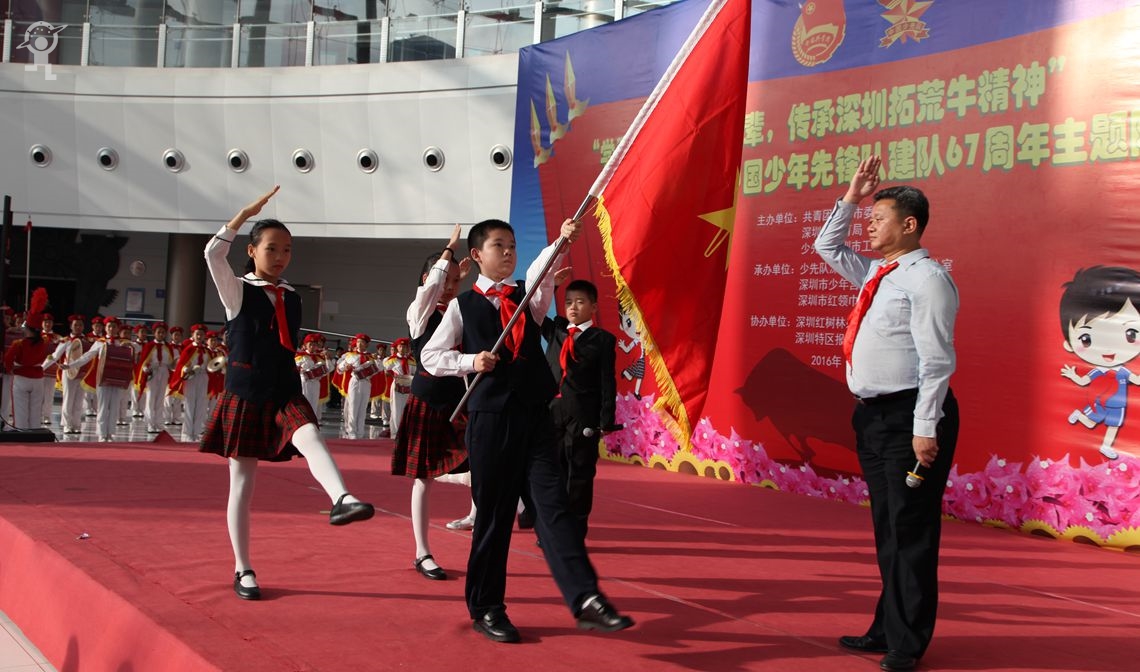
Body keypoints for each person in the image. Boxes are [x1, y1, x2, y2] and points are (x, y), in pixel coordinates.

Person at [421, 217, 633, 643]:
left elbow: (539, 272)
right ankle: (486, 607)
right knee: (495, 518)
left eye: (513, 245)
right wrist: (471, 361)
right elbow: (430, 355)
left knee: (553, 509)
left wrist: (560, 241)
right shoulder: (463, 307)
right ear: (477, 255)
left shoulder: (527, 298)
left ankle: (586, 597)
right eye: (499, 245)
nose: (508, 252)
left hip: (536, 417)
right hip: (490, 420)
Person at [813, 155, 958, 672]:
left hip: (911, 418)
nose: (869, 225)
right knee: (887, 528)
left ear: (909, 224)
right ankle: (887, 626)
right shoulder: (879, 271)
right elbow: (826, 247)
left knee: (911, 529)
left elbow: (937, 361)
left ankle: (907, 643)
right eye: (869, 217)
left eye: (879, 217)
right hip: (872, 417)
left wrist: (925, 429)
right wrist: (851, 197)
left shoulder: (928, 280)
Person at [201, 185, 375, 601]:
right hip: (246, 393)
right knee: (242, 486)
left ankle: (342, 498)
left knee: (311, 434)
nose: (280, 257)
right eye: (272, 249)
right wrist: (244, 214)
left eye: (287, 250)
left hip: (284, 389)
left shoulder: (292, 296)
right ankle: (243, 568)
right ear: (252, 251)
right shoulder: (236, 290)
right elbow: (212, 254)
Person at [392, 225, 473, 581]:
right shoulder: (419, 312)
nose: (451, 286)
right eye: (446, 279)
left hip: (459, 401)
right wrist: (448, 251)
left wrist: (455, 280)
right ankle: (422, 552)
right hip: (427, 401)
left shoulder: (457, 311)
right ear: (428, 279)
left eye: (456, 281)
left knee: (481, 462)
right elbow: (430, 290)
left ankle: (477, 515)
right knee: (422, 479)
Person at [541, 277, 618, 542]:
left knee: (580, 474)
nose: (573, 307)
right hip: (552, 413)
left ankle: (574, 529)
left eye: (580, 302)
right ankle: (552, 527)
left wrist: (606, 419)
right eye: (568, 302)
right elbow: (532, 308)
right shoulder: (556, 330)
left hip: (583, 416)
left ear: (593, 307)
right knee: (553, 472)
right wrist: (550, 285)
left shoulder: (603, 340)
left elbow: (607, 381)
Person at [1059, 266, 1140, 460]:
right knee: (1090, 423)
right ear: (1069, 344)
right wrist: (1073, 375)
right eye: (1086, 339)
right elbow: (1084, 381)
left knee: (1113, 426)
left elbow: (1137, 380)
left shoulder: (1122, 371)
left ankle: (1105, 446)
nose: (1110, 347)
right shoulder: (1099, 370)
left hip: (1117, 406)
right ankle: (1079, 415)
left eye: (1130, 334)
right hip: (1099, 402)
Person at [63, 316, 136, 442]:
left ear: (118, 329)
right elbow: (87, 356)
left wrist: (130, 344)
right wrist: (71, 365)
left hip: (118, 378)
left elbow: (139, 348)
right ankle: (102, 433)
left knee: (114, 406)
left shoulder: (123, 342)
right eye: (109, 326)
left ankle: (110, 433)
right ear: (105, 328)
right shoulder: (100, 342)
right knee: (103, 405)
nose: (111, 329)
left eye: (114, 327)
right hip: (103, 378)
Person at [3, 289, 51, 430]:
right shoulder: (45, 342)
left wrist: (10, 369)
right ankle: (34, 432)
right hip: (38, 379)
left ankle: (22, 433)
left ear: (28, 328)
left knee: (20, 411)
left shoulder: (18, 344)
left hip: (21, 378)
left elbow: (7, 361)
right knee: (36, 411)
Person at [43, 314, 87, 434]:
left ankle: (76, 424)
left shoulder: (88, 340)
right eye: (75, 325)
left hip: (83, 373)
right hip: (69, 372)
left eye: (80, 325)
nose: (78, 327)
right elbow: (55, 355)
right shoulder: (66, 341)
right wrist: (42, 367)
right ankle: (67, 424)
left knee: (79, 400)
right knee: (68, 398)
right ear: (71, 326)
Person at [169, 323, 212, 442]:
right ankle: (187, 433)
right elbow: (181, 365)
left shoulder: (207, 351)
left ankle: (196, 432)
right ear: (192, 335)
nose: (199, 336)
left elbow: (211, 364)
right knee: (189, 404)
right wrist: (186, 369)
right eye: (197, 334)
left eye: (202, 334)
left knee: (201, 405)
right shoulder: (189, 349)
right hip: (191, 378)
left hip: (203, 377)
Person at [336, 334, 381, 439]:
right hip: (355, 382)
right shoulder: (350, 355)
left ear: (367, 345)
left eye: (362, 342)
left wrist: (377, 360)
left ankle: (360, 432)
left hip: (366, 382)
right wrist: (345, 367)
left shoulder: (371, 357)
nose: (359, 344)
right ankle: (351, 432)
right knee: (353, 407)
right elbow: (339, 369)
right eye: (358, 342)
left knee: (363, 408)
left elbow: (380, 369)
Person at [135, 322, 176, 434]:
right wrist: (145, 369)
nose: (161, 334)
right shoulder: (149, 346)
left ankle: (158, 423)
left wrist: (174, 365)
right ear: (154, 333)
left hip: (164, 372)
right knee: (151, 398)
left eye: (163, 332)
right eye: (159, 332)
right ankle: (150, 423)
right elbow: (144, 361)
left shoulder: (168, 347)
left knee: (160, 398)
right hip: (152, 372)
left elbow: (171, 363)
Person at [385, 337, 415, 438]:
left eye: (404, 347)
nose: (402, 349)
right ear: (397, 348)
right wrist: (391, 374)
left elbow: (414, 372)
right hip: (397, 385)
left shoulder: (411, 360)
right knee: (396, 409)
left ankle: (404, 432)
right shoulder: (392, 360)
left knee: (406, 409)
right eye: (400, 346)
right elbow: (386, 369)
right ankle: (395, 433)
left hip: (408, 386)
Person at [40, 312, 60, 426]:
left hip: (51, 369)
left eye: (49, 322)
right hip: (38, 368)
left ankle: (46, 415)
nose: (47, 324)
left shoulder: (57, 337)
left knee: (49, 394)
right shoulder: (37, 336)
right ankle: (37, 415)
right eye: (45, 322)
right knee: (38, 394)